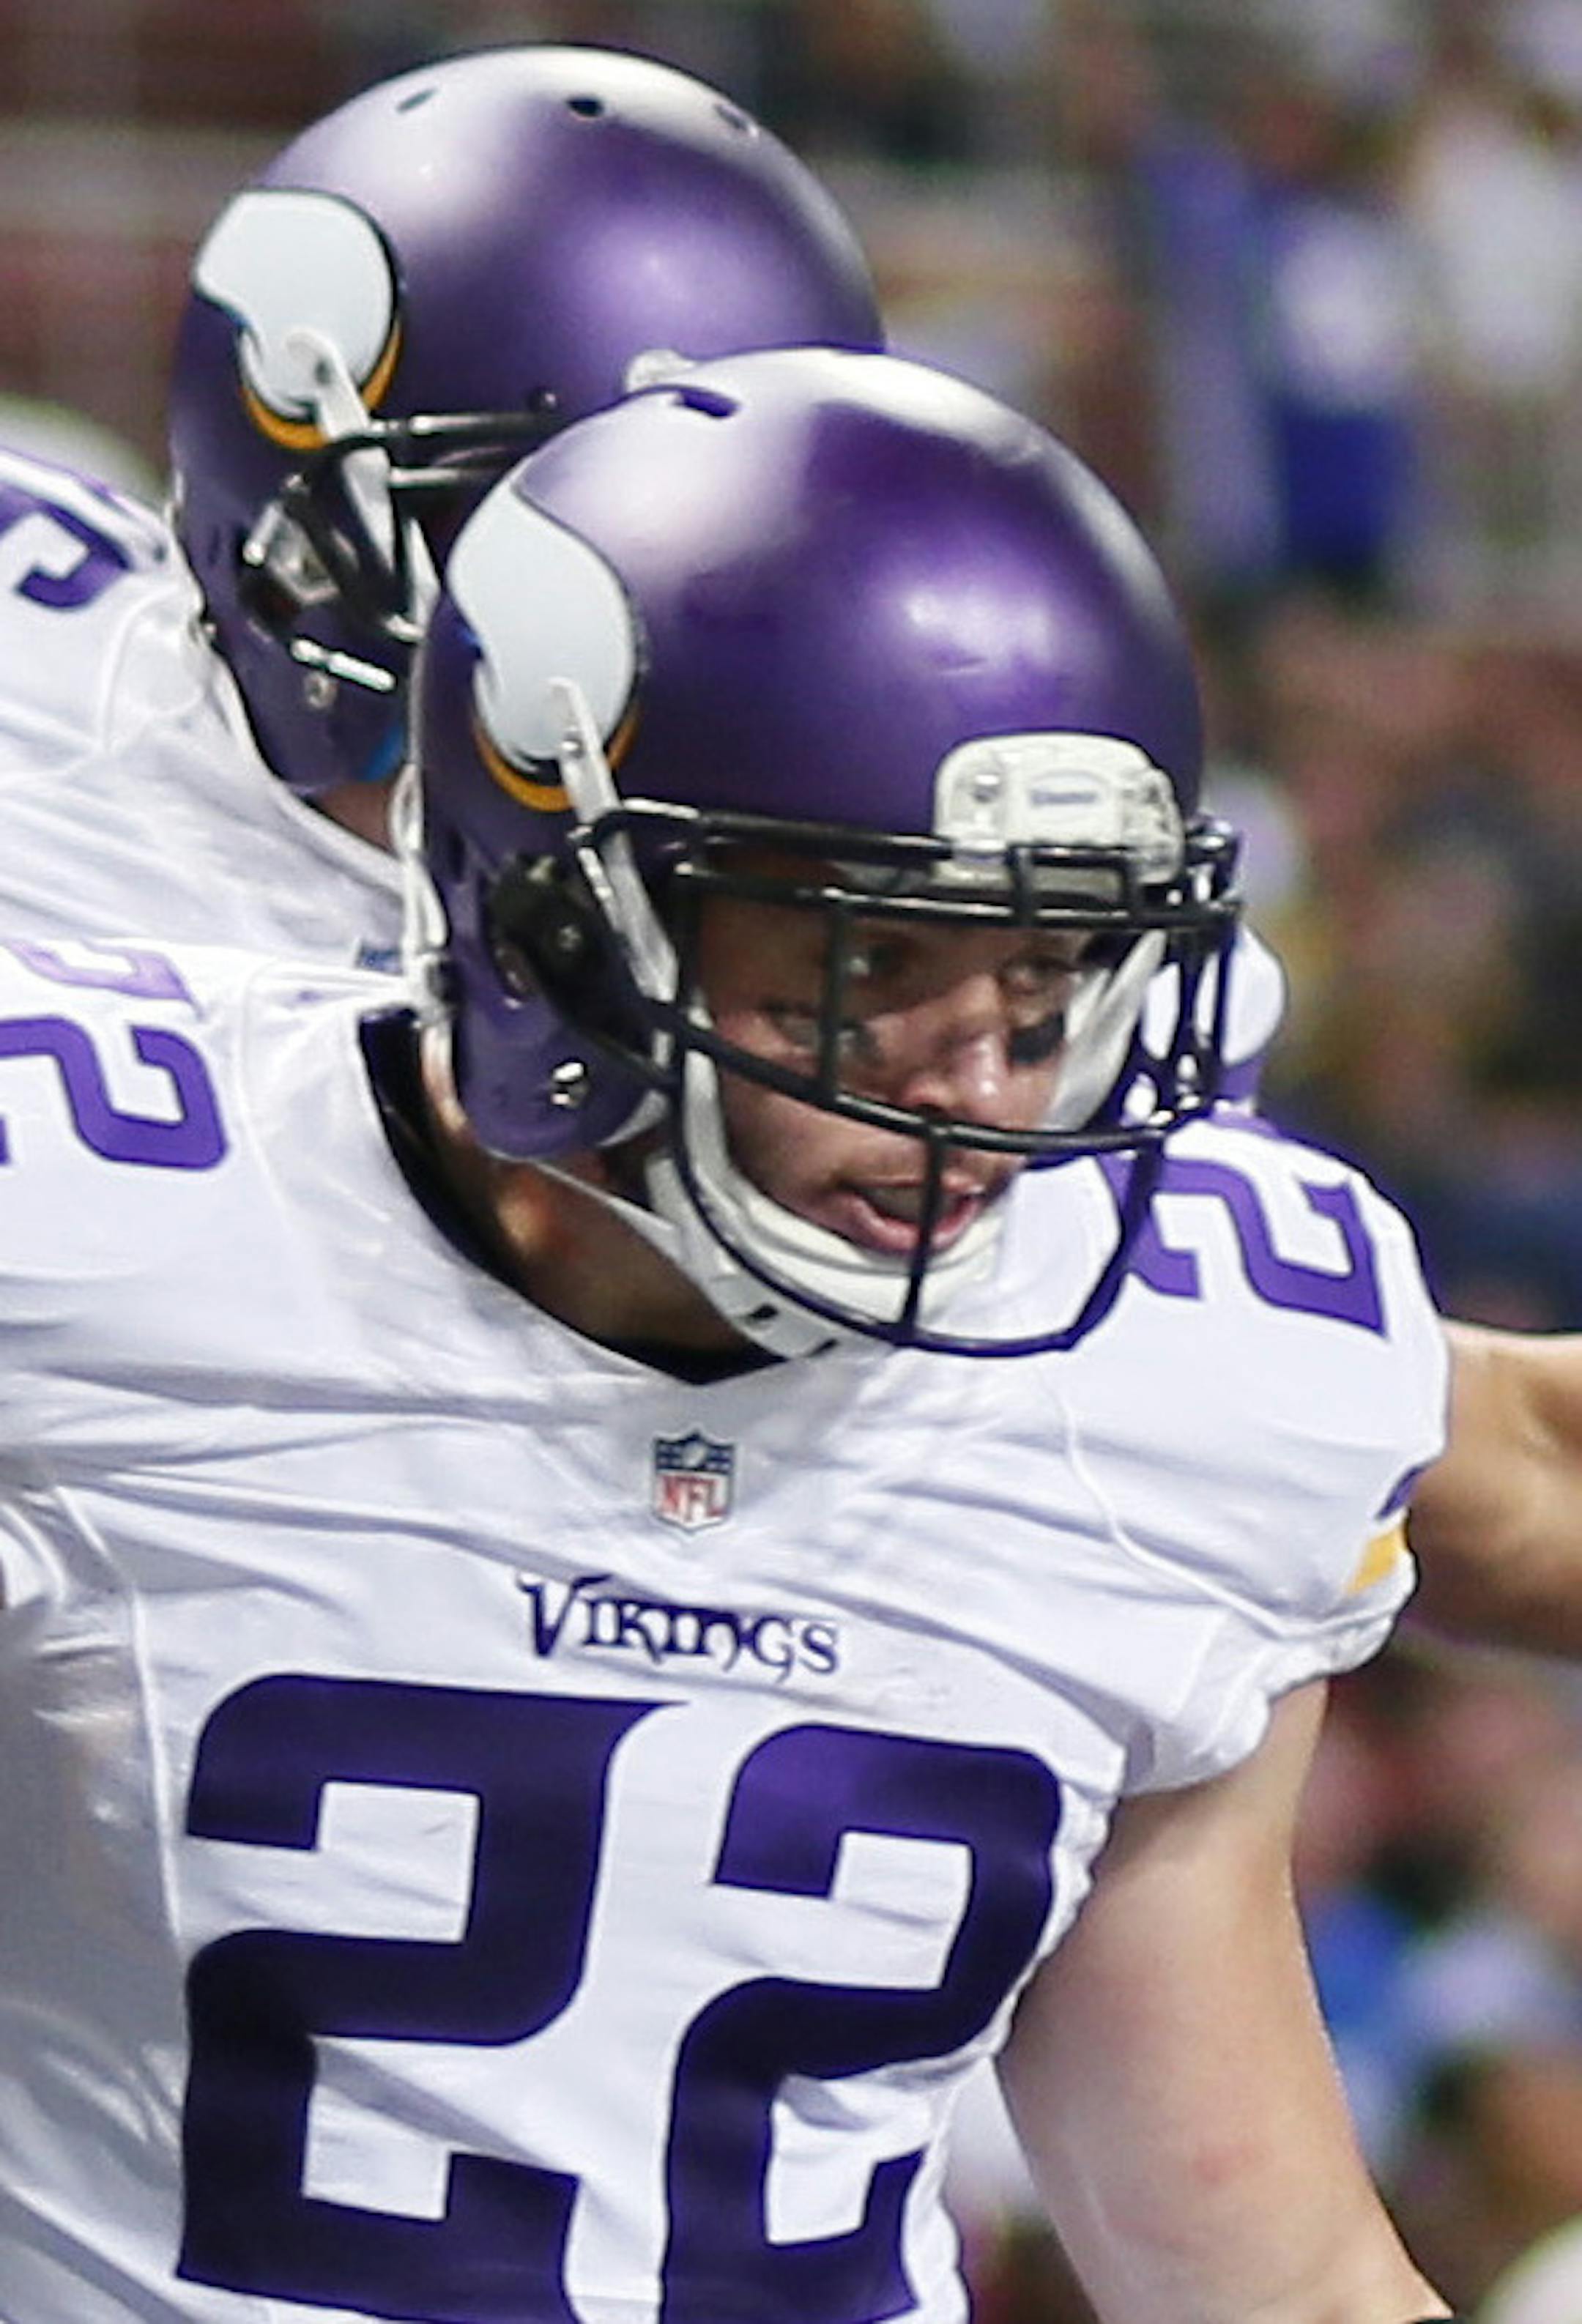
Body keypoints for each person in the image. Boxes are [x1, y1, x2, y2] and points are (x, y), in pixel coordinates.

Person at [0, 345, 1457, 2324]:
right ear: (559, 918)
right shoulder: (90, 1223)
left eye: (1047, 980)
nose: (980, 1095)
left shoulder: (1193, 1361)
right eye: (874, 971)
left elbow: (1247, 2251)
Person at [0, 42, 884, 967]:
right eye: (561, 556)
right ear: (304, 543)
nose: (659, 647)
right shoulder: (60, 801)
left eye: (732, 569)